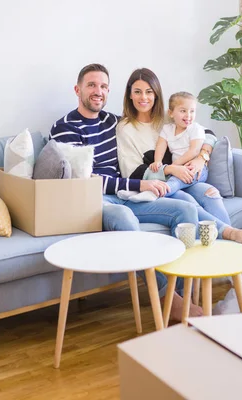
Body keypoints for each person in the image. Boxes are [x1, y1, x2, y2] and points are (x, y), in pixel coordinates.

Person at [50, 63, 203, 321]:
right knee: (123, 217)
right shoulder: (65, 127)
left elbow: (191, 127)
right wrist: (140, 184)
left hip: (123, 193)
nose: (98, 91)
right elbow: (85, 180)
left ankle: (180, 294)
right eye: (91, 85)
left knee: (185, 208)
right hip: (94, 200)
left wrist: (204, 153)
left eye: (103, 86)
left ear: (108, 92)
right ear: (77, 90)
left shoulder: (113, 122)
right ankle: (165, 295)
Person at [116, 67, 242, 243]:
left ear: (156, 94)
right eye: (137, 92)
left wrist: (201, 157)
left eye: (149, 92)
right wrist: (171, 169)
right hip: (161, 183)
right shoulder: (125, 128)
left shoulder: (169, 119)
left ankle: (226, 253)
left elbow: (208, 134)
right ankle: (228, 234)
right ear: (130, 95)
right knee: (187, 201)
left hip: (187, 177)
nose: (144, 97)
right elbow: (131, 172)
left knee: (211, 193)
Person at [117, 91, 209, 203]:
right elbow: (161, 145)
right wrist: (158, 161)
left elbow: (194, 151)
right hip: (178, 169)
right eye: (183, 111)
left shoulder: (195, 129)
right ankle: (138, 190)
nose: (188, 115)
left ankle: (154, 194)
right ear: (171, 113)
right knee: (166, 179)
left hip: (196, 169)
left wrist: (175, 165)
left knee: (174, 182)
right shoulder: (167, 129)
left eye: (192, 111)